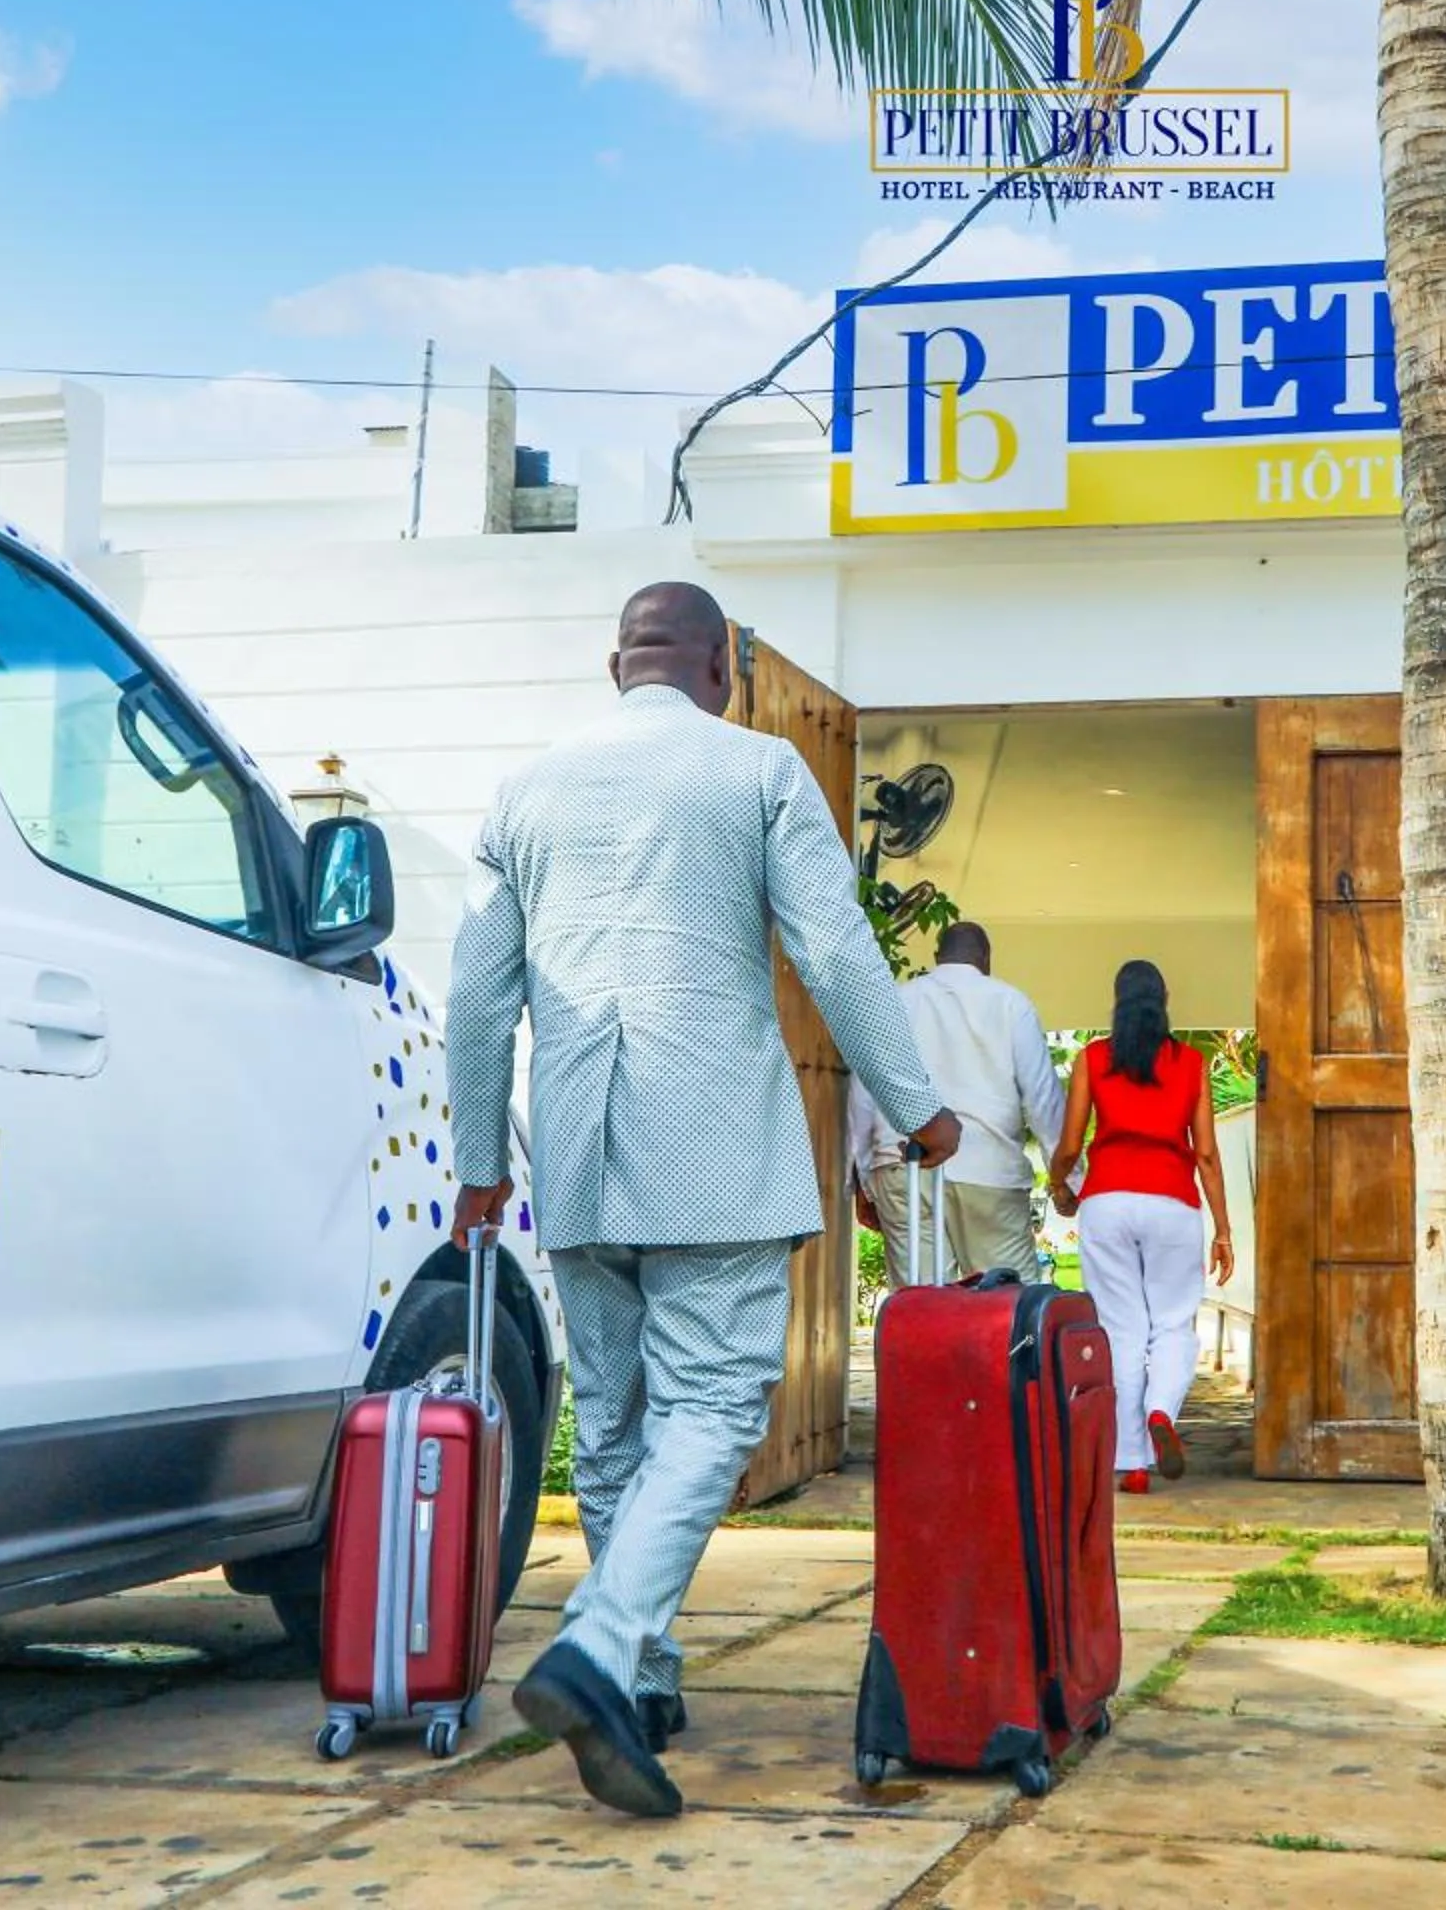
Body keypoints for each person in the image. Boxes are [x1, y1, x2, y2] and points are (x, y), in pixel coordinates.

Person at [446, 581, 960, 1820]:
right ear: (722, 663)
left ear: (612, 662)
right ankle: (602, 1642)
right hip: (711, 1141)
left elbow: (476, 993)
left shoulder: (526, 788)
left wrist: (479, 1161)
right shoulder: (759, 771)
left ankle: (647, 1677)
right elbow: (834, 946)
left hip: (576, 1148)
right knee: (718, 1403)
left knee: (615, 1424)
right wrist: (915, 1100)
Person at [1048, 960, 1234, 1495]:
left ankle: (1131, 1463)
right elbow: (1207, 1155)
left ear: (1117, 1001)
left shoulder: (1094, 1058)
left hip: (1107, 1202)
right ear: (1164, 1000)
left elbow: (1068, 1145)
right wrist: (1222, 1230)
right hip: (1173, 1203)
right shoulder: (1191, 1063)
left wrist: (1061, 1186)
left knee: (1121, 1328)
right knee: (1173, 1324)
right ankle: (1160, 1413)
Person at [844, 922, 1064, 1288]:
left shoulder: (898, 1000)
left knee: (921, 1304)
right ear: (986, 960)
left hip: (903, 1165)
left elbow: (863, 1094)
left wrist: (867, 1182)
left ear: (936, 958)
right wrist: (1065, 1178)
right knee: (1008, 1310)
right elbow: (1043, 1100)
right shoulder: (1011, 1003)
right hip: (990, 1173)